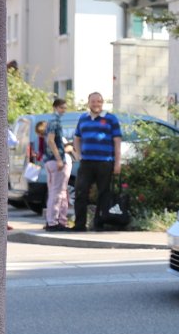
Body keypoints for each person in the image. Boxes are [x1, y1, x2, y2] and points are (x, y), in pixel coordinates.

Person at [71, 92, 122, 232]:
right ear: (89, 103)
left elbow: (117, 141)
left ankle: (99, 224)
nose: (96, 104)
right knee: (80, 192)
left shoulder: (111, 119)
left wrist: (118, 163)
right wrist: (78, 154)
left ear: (102, 102)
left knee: (103, 193)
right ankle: (79, 225)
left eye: (98, 101)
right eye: (93, 101)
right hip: (86, 162)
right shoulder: (83, 118)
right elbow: (77, 137)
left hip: (105, 162)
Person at [42, 97, 72, 230]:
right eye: (61, 108)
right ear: (55, 107)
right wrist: (59, 158)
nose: (63, 110)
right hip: (56, 160)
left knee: (58, 191)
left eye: (65, 108)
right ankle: (53, 222)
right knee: (57, 192)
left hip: (50, 160)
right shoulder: (55, 121)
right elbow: (51, 140)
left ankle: (59, 220)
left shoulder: (50, 121)